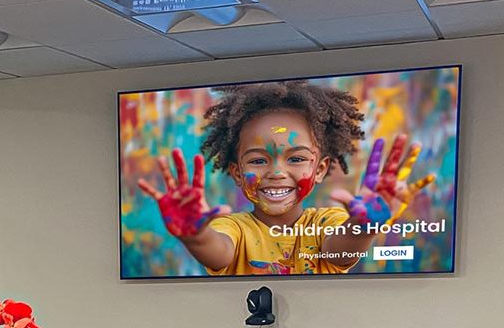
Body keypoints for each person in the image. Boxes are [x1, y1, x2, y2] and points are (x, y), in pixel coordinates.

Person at [138, 80, 433, 275]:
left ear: (319, 169)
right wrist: (195, 235)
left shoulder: (325, 222)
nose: (277, 173)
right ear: (237, 174)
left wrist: (363, 227)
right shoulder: (233, 227)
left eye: (296, 158)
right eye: (258, 160)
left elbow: (339, 250)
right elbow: (218, 252)